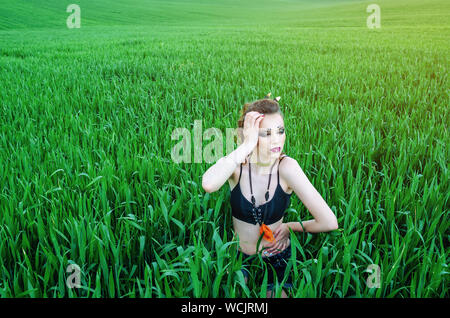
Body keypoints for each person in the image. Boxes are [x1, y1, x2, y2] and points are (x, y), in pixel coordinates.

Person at [202, 93, 339, 298]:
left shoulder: (287, 168)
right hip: (239, 253)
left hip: (276, 253)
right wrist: (246, 146)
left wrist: (289, 227)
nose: (276, 140)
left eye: (280, 131)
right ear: (249, 135)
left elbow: (329, 222)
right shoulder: (237, 167)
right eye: (265, 133)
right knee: (233, 295)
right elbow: (209, 184)